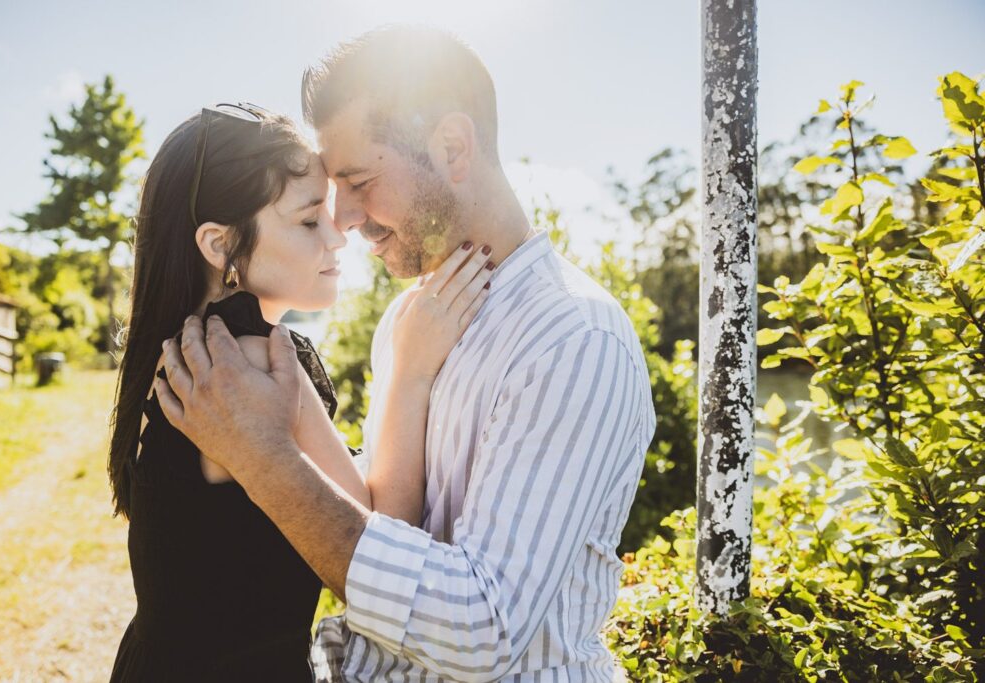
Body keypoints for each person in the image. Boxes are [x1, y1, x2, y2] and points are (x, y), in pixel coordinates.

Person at [157, 26, 657, 681]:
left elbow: (485, 629)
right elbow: (388, 521)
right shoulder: (405, 320)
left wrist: (265, 460)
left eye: (358, 181)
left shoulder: (572, 337)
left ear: (452, 146)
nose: (344, 218)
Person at [107, 102, 493, 681]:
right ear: (221, 245)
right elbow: (381, 537)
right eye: (309, 220)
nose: (339, 236)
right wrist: (412, 367)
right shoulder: (253, 359)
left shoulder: (182, 348)